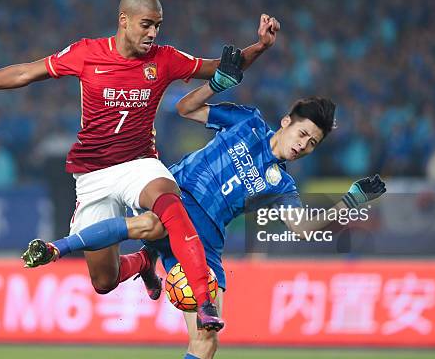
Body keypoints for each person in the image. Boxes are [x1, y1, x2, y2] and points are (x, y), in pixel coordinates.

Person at [0, 0, 280, 332]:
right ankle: (144, 262)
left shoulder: (165, 58)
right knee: (103, 281)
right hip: (93, 173)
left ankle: (205, 303)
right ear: (123, 21)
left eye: (157, 25)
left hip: (139, 163)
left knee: (170, 207)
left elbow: (220, 67)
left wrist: (260, 47)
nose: (153, 32)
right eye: (146, 24)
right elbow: (26, 73)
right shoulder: (87, 53)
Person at [24, 46, 387, 358]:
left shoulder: (282, 186)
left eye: (312, 144)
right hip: (177, 196)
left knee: (207, 341)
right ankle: (61, 248)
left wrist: (350, 201)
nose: (302, 145)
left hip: (206, 240)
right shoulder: (248, 123)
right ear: (286, 121)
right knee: (153, 223)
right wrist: (215, 86)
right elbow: (186, 108)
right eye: (302, 133)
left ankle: (144, 261)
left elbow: (303, 227)